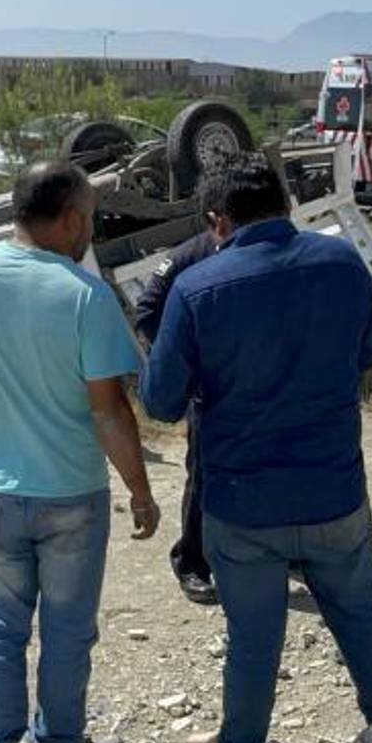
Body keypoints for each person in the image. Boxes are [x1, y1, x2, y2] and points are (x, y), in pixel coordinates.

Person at [139, 155, 372, 743]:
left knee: (253, 643)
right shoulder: (345, 264)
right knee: (360, 624)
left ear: (216, 222)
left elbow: (160, 402)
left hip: (242, 508)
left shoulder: (196, 288)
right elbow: (369, 356)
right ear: (288, 204)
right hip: (334, 493)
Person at [0, 160, 161, 743]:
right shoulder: (84, 296)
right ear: (69, 219)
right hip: (69, 494)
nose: (89, 232)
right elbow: (109, 412)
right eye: (89, 219)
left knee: (0, 633)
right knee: (67, 635)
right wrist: (141, 491)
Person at [133, 227, 220, 605]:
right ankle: (191, 562)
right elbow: (147, 312)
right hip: (206, 388)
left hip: (250, 383)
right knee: (202, 473)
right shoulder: (188, 255)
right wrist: (183, 362)